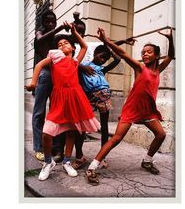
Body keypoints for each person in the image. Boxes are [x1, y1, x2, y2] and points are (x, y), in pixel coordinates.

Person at [85, 27, 175, 185]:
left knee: (161, 135)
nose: (144, 54)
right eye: (143, 52)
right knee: (116, 139)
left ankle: (147, 161)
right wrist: (106, 41)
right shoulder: (140, 68)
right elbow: (123, 53)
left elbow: (172, 56)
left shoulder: (158, 71)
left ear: (156, 55)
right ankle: (92, 167)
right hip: (132, 108)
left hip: (148, 111)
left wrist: (170, 39)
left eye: (148, 52)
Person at [25, 21, 100, 181]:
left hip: (74, 98)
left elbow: (84, 46)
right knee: (47, 133)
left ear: (72, 48)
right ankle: (48, 162)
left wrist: (74, 32)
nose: (62, 45)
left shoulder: (74, 62)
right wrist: (33, 82)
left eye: (66, 43)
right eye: (59, 44)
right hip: (59, 99)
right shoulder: (54, 58)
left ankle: (67, 161)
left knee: (71, 131)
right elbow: (38, 65)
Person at [72, 44, 121, 170]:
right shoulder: (83, 66)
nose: (103, 59)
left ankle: (102, 157)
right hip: (88, 97)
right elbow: (72, 64)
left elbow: (118, 60)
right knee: (82, 127)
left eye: (106, 58)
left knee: (104, 128)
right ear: (95, 54)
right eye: (101, 56)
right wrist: (82, 67)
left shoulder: (101, 69)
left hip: (103, 97)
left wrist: (109, 48)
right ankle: (79, 156)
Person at [31, 10, 69, 161]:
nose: (50, 24)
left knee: (57, 112)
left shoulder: (56, 37)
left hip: (58, 75)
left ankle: (55, 148)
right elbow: (40, 41)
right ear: (42, 22)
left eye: (53, 21)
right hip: (45, 75)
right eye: (47, 21)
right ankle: (39, 147)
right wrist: (59, 28)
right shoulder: (39, 34)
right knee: (39, 112)